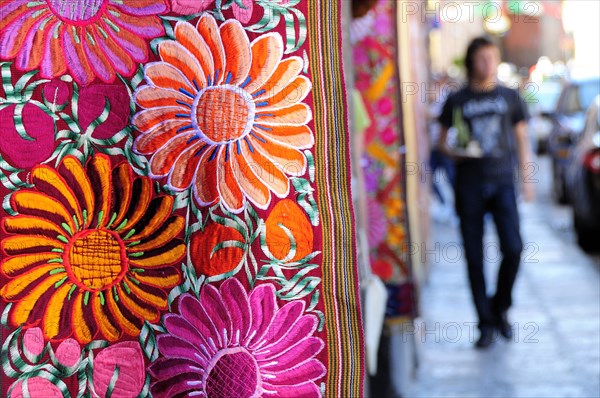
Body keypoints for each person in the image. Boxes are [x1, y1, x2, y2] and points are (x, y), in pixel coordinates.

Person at [438, 37, 534, 348]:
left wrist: (527, 178)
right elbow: (442, 143)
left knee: (514, 248)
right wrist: (458, 152)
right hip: (470, 186)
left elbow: (522, 138)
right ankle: (485, 324)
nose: (488, 64)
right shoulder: (457, 99)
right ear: (471, 62)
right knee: (475, 258)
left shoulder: (509, 96)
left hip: (503, 181)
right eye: (481, 58)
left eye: (492, 58)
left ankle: (500, 307)